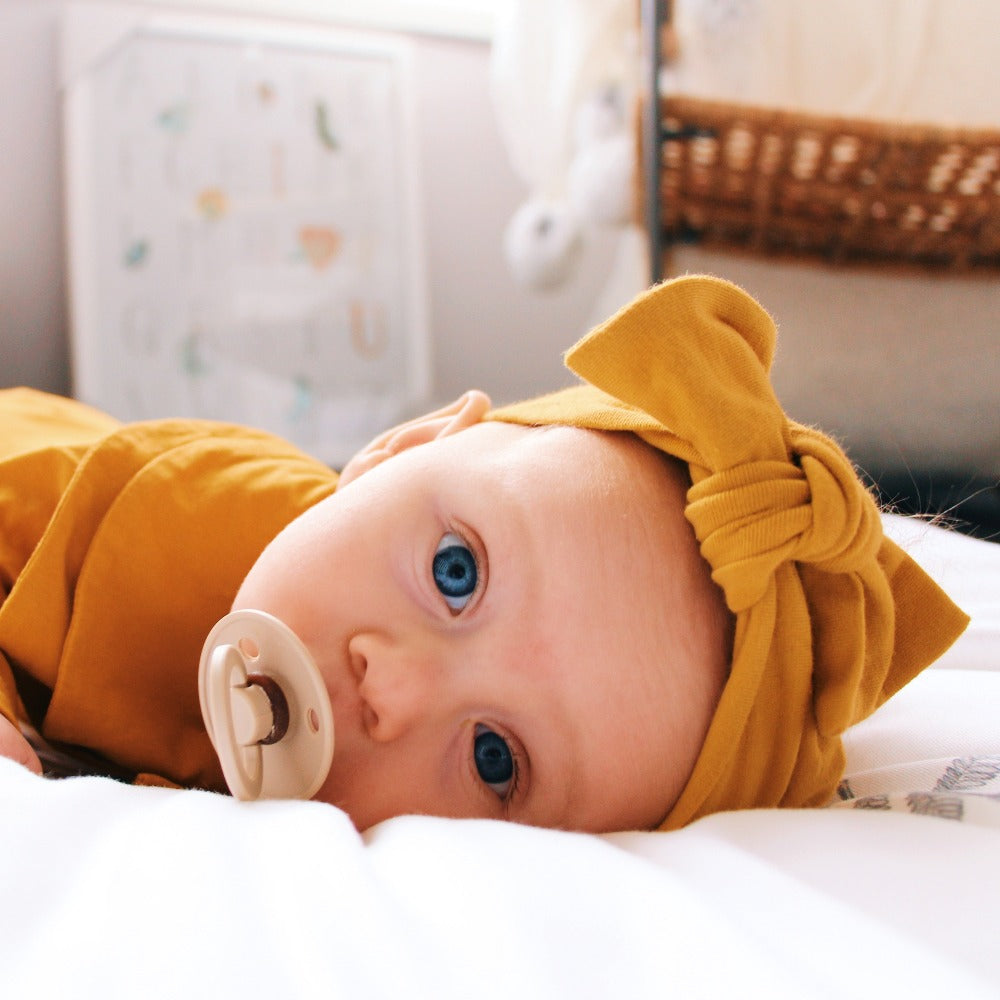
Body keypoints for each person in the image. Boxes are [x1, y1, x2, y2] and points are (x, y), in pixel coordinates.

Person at [0, 275, 969, 833]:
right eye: (453, 573)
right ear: (401, 447)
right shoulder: (174, 508)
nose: (394, 694)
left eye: (494, 758)